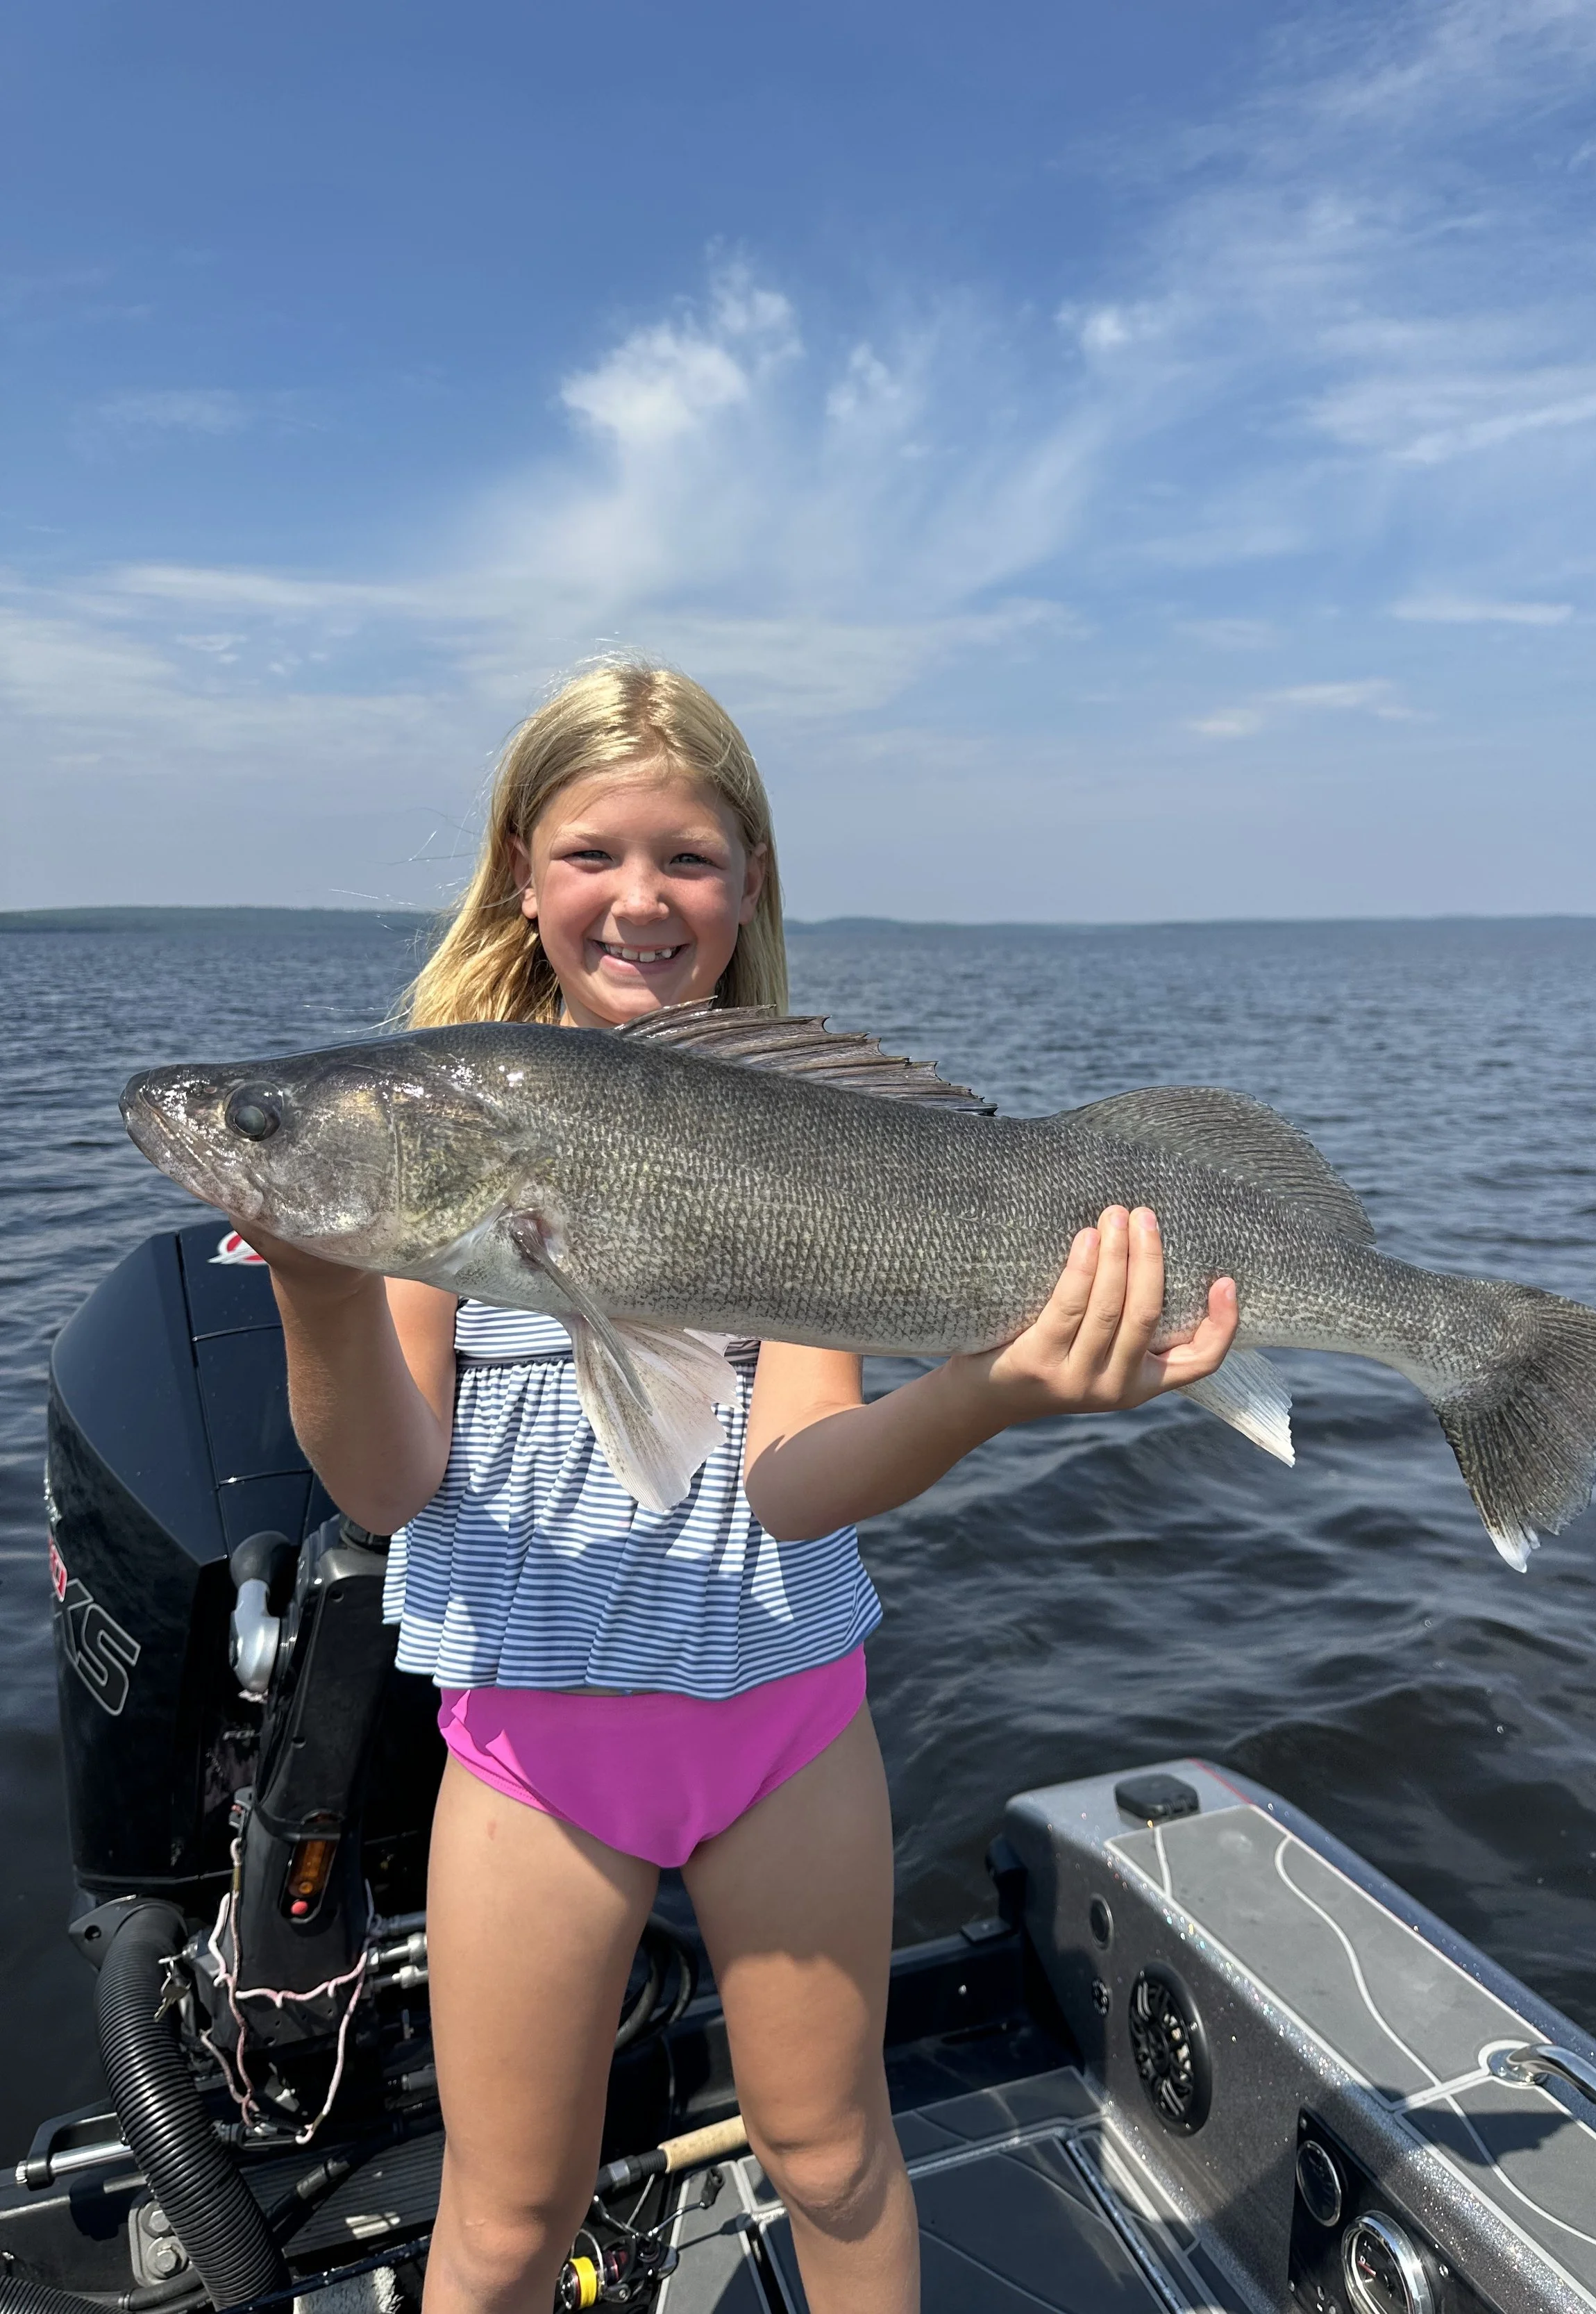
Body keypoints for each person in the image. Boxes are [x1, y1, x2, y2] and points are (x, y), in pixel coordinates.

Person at [247, 661, 1239, 2314]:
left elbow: (792, 1486)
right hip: (532, 1749)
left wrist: (990, 1388)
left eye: (689, 857)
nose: (640, 898)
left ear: (750, 879)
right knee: (498, 2220)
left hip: (784, 1721)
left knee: (835, 2152)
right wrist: (318, 1282)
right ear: (519, 867)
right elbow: (387, 1478)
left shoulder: (792, 1136)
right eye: (591, 853)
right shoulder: (436, 1113)